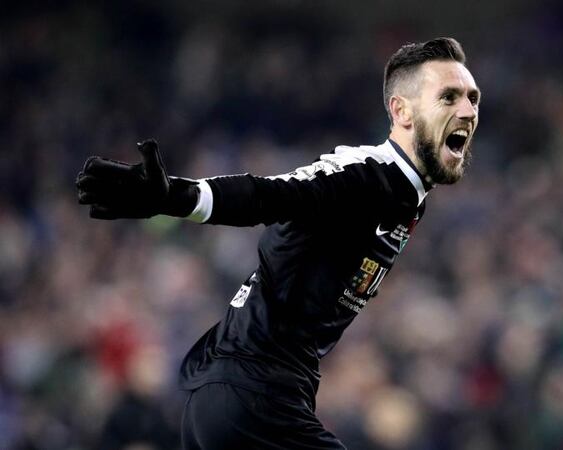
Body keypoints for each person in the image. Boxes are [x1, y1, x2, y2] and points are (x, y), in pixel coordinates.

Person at [76, 36, 480, 449]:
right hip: (252, 397)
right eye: (448, 97)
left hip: (251, 396)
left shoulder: (408, 197)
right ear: (402, 110)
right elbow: (271, 195)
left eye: (472, 98)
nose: (467, 110)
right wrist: (177, 196)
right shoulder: (364, 175)